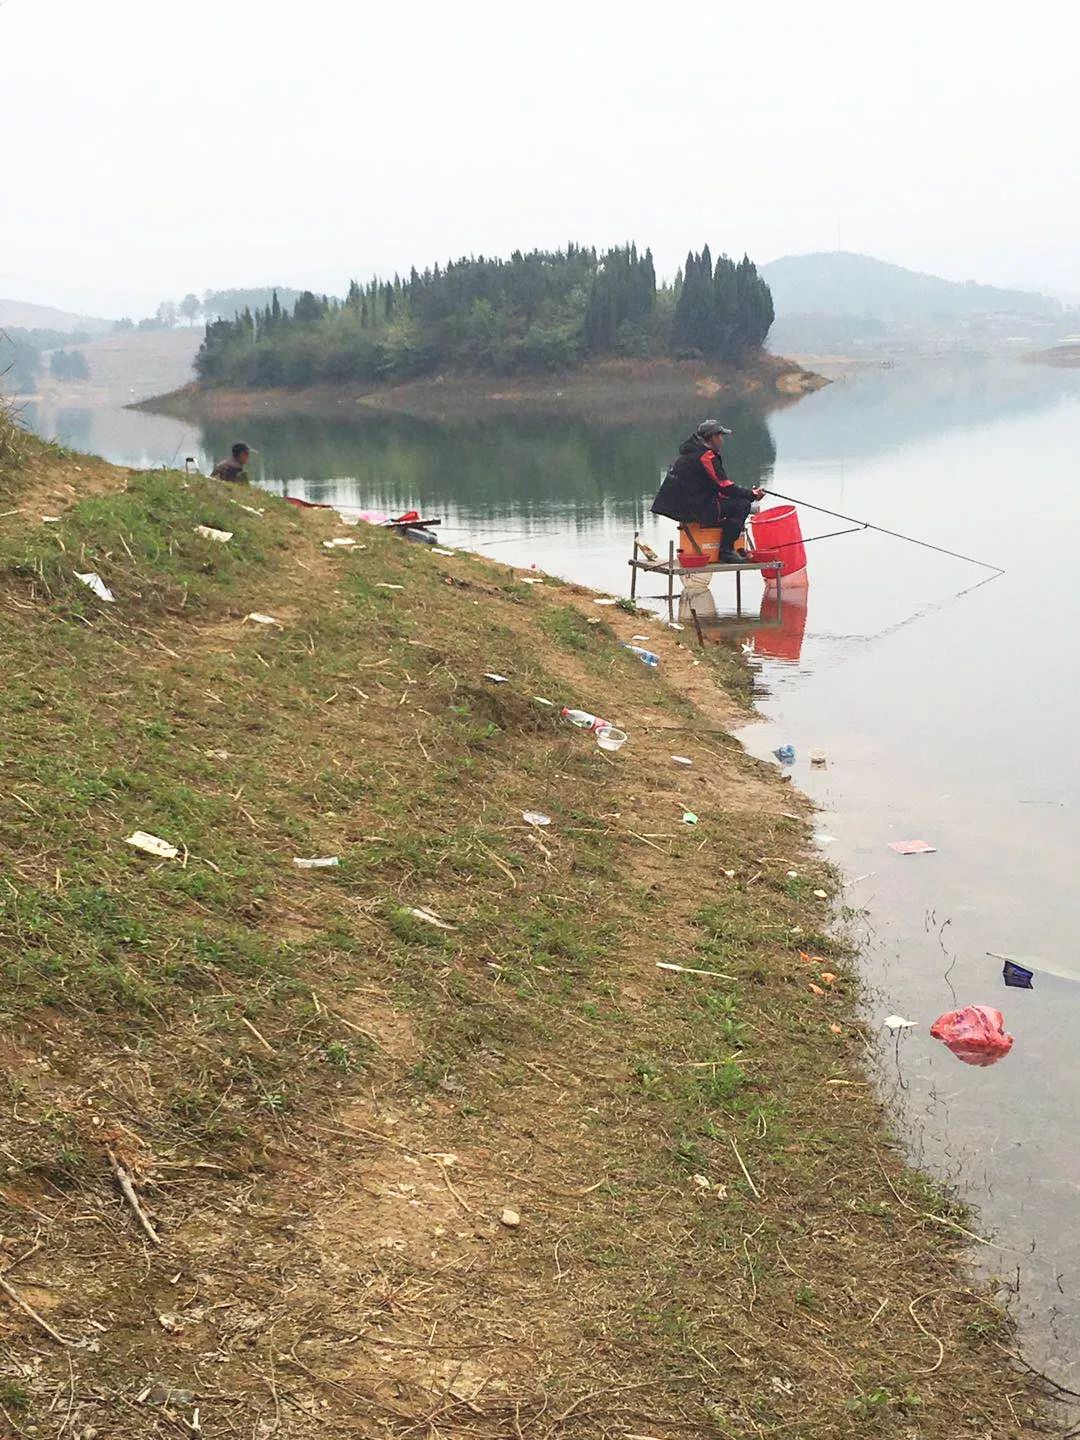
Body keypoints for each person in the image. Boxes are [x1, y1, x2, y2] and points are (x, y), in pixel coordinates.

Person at [651, 420, 764, 562]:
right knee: (743, 505)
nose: (722, 440)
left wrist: (745, 494)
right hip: (695, 508)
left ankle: (722, 544)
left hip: (680, 508)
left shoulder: (689, 454)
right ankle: (726, 551)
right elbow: (725, 485)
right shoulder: (706, 456)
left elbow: (711, 485)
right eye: (720, 436)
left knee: (734, 502)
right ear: (713, 438)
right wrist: (751, 495)